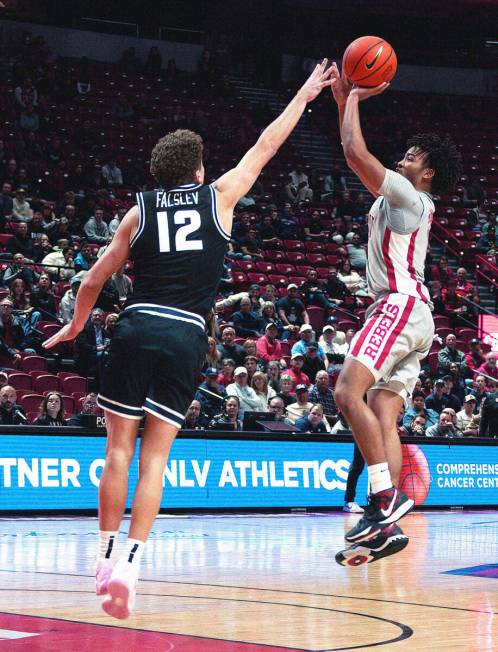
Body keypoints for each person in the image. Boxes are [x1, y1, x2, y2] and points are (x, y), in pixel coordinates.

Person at [44, 61, 333, 619]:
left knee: (118, 450)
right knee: (155, 458)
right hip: (185, 333)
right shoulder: (219, 196)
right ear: (198, 170)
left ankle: (103, 559)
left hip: (136, 323)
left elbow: (95, 277)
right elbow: (267, 144)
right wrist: (303, 93)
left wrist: (79, 323)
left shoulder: (138, 210)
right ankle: (130, 561)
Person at [329, 60, 462, 560]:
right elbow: (355, 151)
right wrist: (345, 102)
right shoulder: (405, 198)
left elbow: (352, 152)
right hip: (418, 315)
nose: (403, 158)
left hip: (400, 306)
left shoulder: (411, 195)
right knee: (383, 411)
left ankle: (383, 498)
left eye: (411, 156)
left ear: (425, 173)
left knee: (346, 391)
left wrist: (356, 100)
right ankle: (387, 526)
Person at [343, 443, 365, 514]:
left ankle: (379, 502)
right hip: (363, 436)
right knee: (357, 466)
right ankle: (349, 501)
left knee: (379, 467)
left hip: (379, 437)